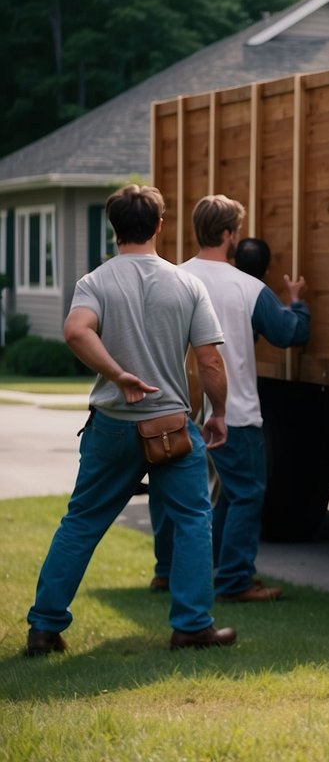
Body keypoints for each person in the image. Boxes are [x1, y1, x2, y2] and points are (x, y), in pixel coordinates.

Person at [25, 184, 235, 655]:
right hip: (172, 430)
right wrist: (218, 414)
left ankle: (44, 628)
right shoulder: (187, 283)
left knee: (80, 523)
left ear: (113, 227)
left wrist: (117, 374)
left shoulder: (94, 282)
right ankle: (192, 626)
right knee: (193, 521)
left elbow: (76, 331)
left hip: (111, 427)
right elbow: (211, 362)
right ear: (160, 225)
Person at [150, 196, 310, 603]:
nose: (238, 237)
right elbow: (289, 334)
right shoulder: (248, 286)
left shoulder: (171, 277)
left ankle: (175, 572)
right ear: (226, 235)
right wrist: (297, 303)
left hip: (175, 409)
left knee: (190, 496)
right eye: (236, 230)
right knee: (246, 493)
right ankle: (236, 580)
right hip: (232, 411)